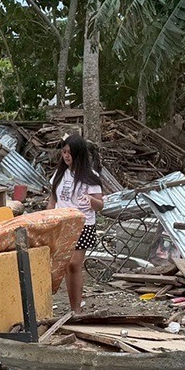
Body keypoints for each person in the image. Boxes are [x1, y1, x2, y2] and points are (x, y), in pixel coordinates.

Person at [49, 133, 105, 314]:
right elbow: (52, 198)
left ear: (79, 155)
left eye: (70, 153)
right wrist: (47, 218)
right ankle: (73, 307)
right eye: (64, 152)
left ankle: (76, 309)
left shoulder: (90, 176)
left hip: (83, 225)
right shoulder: (59, 174)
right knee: (66, 265)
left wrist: (89, 200)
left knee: (74, 264)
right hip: (62, 223)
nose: (66, 156)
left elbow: (100, 205)